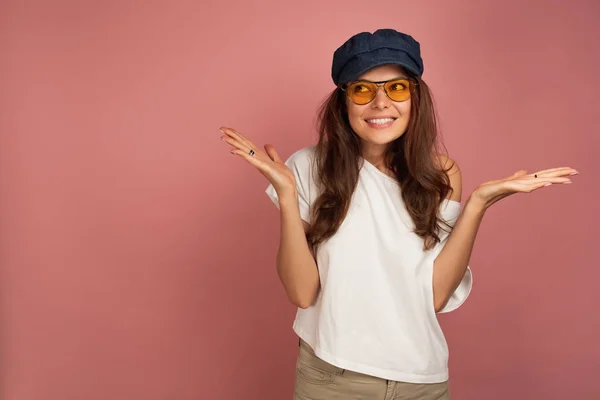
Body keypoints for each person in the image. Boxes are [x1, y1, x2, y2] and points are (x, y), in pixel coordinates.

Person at [219, 28, 578, 400]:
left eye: (397, 88)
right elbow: (302, 292)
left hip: (422, 380)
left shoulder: (441, 174)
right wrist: (288, 194)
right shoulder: (309, 166)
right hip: (334, 378)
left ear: (415, 97)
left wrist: (478, 204)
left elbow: (435, 295)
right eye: (362, 89)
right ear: (343, 102)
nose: (380, 103)